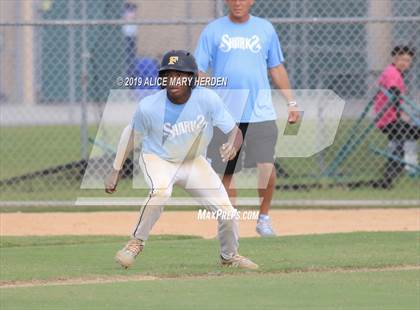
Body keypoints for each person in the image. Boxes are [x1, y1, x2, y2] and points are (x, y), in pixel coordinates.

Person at [105, 50, 258, 270]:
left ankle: (229, 256)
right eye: (168, 75)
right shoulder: (149, 106)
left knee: (227, 212)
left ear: (191, 78)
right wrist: (116, 170)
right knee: (161, 192)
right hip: (157, 159)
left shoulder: (206, 99)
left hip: (193, 162)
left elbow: (235, 130)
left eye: (180, 74)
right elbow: (130, 135)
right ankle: (135, 243)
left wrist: (233, 144)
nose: (173, 80)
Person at [194, 0, 299, 236]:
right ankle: (232, 225)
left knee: (266, 167)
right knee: (226, 174)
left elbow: (276, 68)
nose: (238, 2)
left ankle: (263, 218)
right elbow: (199, 70)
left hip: (260, 113)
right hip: (226, 117)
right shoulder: (213, 30)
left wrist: (291, 102)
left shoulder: (265, 29)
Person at [373, 45, 419, 188]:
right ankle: (409, 164)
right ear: (395, 58)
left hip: (391, 117)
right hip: (388, 119)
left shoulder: (395, 72)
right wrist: (401, 115)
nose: (405, 63)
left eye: (408, 61)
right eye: (402, 59)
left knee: (398, 144)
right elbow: (394, 92)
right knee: (412, 132)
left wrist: (403, 114)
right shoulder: (392, 72)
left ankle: (389, 177)